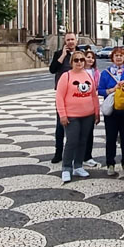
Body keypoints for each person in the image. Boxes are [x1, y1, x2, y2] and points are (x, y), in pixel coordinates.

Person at [54, 51, 100, 183]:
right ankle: (66, 167)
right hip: (72, 115)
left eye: (81, 60)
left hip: (88, 115)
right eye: (76, 60)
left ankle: (78, 165)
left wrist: (97, 112)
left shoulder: (88, 75)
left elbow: (93, 95)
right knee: (72, 141)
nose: (79, 62)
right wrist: (62, 114)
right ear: (72, 62)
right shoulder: (66, 76)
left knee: (83, 141)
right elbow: (59, 97)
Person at [98, 47, 124, 176]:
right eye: (116, 55)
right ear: (112, 58)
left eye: (121, 55)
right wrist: (111, 90)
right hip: (112, 110)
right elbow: (100, 90)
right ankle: (110, 163)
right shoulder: (105, 73)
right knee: (111, 137)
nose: (119, 58)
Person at [49, 32, 79, 164]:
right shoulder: (58, 54)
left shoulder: (81, 53)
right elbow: (52, 69)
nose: (70, 42)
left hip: (78, 93)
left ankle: (78, 153)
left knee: (78, 124)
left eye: (72, 39)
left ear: (76, 41)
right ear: (64, 41)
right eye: (68, 40)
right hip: (63, 94)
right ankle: (58, 152)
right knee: (61, 124)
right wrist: (62, 56)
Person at [81, 48, 102, 167]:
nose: (90, 59)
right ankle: (77, 156)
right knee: (78, 133)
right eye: (88, 57)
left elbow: (97, 88)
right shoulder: (80, 71)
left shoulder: (96, 72)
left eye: (92, 57)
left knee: (89, 133)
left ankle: (87, 156)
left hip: (91, 103)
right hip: (79, 105)